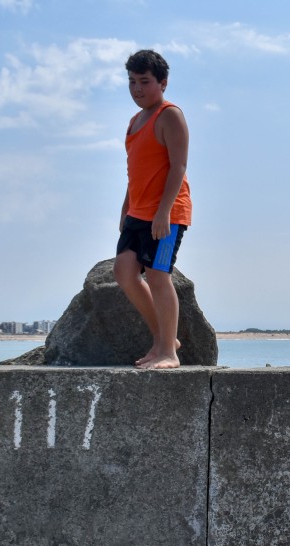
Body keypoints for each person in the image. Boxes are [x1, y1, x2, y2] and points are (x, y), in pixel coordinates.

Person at [113, 49, 192, 369]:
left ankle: (168, 353)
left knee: (159, 275)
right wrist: (126, 207)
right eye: (131, 81)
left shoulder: (169, 115)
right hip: (138, 212)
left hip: (167, 214)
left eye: (144, 82)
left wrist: (163, 213)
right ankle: (163, 339)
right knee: (124, 272)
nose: (137, 89)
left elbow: (178, 167)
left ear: (162, 83)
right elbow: (137, 170)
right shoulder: (135, 121)